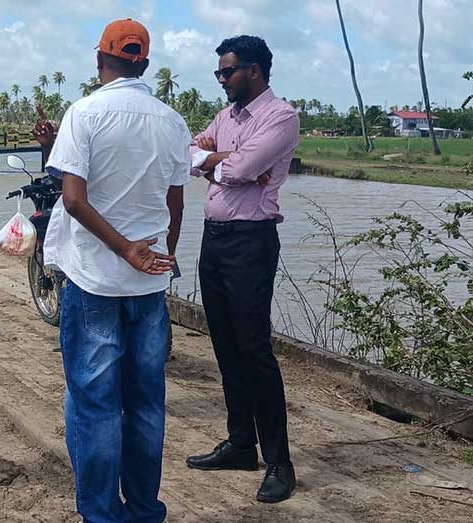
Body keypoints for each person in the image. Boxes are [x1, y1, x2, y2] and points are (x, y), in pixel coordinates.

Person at [43, 19, 191, 522]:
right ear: (144, 65)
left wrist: (126, 249)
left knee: (96, 404)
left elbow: (73, 198)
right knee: (147, 402)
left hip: (95, 282)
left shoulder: (84, 113)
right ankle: (146, 509)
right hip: (149, 285)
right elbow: (176, 204)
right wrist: (159, 258)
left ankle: (103, 515)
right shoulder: (171, 121)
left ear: (99, 60)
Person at [184, 35, 300, 503]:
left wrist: (219, 163)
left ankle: (279, 461)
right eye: (218, 73)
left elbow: (237, 171)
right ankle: (239, 444)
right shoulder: (226, 116)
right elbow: (193, 156)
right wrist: (220, 160)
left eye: (226, 71)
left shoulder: (281, 117)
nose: (221, 80)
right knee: (226, 346)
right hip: (214, 240)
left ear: (254, 70)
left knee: (255, 351)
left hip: (251, 242)